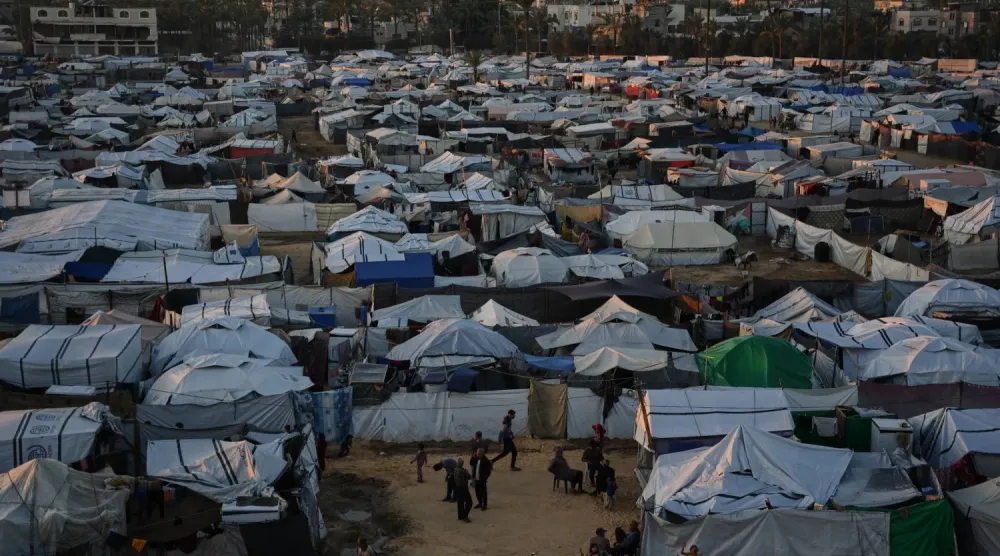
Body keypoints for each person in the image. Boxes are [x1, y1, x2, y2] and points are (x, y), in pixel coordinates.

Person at [453, 458, 474, 522]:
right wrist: (466, 472)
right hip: (463, 487)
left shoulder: (455, 469)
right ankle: (465, 516)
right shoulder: (463, 471)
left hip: (457, 487)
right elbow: (469, 477)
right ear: (462, 464)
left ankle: (460, 516)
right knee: (469, 502)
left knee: (460, 502)